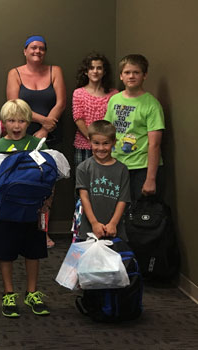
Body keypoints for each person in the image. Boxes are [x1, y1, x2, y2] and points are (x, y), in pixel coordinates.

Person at [0, 99, 50, 318]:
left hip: (34, 209)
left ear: (29, 122)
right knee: (6, 253)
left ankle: (32, 292)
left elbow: (50, 177)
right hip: (6, 209)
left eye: (21, 121)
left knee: (33, 252)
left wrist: (48, 203)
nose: (16, 125)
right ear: (4, 122)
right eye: (11, 120)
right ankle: (8, 293)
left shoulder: (38, 144)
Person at [6, 35, 65, 248]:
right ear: (25, 50)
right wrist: (43, 122)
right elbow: (15, 104)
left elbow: (61, 102)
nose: (37, 51)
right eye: (33, 47)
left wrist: (45, 130)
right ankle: (19, 231)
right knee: (21, 184)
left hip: (50, 136)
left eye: (41, 48)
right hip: (21, 135)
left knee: (47, 188)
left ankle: (43, 232)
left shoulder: (55, 71)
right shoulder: (14, 73)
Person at [103, 54, 165, 202]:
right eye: (127, 72)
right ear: (121, 76)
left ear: (144, 75)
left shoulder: (152, 105)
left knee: (137, 214)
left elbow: (154, 144)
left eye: (136, 72)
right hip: (116, 164)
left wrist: (150, 179)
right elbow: (107, 132)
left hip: (141, 168)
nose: (131, 76)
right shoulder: (114, 99)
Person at [76, 120, 131, 241]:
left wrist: (113, 223)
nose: (101, 148)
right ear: (89, 141)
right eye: (96, 143)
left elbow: (123, 199)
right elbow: (84, 197)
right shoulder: (83, 168)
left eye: (106, 143)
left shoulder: (122, 169)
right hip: (89, 228)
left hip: (115, 229)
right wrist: (94, 223)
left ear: (113, 143)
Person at [73, 52, 118, 167]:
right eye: (91, 68)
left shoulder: (114, 94)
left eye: (99, 68)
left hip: (107, 146)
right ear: (86, 71)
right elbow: (78, 118)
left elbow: (114, 120)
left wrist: (102, 142)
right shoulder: (79, 93)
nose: (95, 71)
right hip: (84, 144)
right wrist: (93, 140)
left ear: (104, 71)